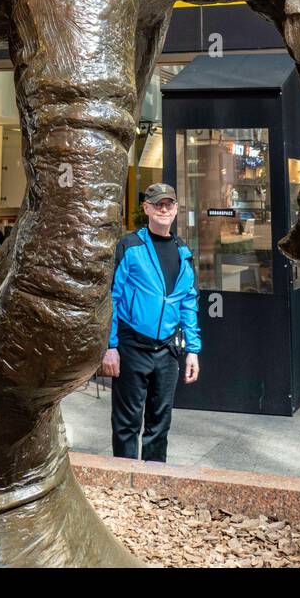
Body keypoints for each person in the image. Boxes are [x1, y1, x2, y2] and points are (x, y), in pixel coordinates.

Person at [101, 183, 201, 462]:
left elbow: (188, 303)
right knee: (126, 424)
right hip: (132, 347)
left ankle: (153, 483)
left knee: (160, 424)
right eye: (158, 204)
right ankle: (124, 481)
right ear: (146, 208)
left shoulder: (183, 251)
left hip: (167, 352)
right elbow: (112, 297)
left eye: (169, 204)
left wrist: (193, 350)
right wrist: (110, 346)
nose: (164, 209)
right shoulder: (130, 246)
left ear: (177, 209)